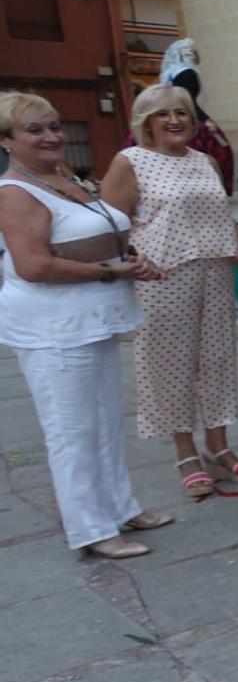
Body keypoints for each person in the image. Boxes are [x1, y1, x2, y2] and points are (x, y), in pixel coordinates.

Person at [0, 93, 174, 559]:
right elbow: (33, 265)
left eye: (54, 126)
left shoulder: (61, 178)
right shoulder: (15, 192)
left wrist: (132, 260)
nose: (51, 136)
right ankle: (91, 529)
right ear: (6, 142)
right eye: (34, 130)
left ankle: (120, 506)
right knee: (71, 430)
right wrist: (109, 272)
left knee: (105, 424)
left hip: (93, 321)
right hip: (55, 329)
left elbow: (91, 237)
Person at [101, 85, 238, 497]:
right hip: (163, 276)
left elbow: (225, 221)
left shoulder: (206, 162)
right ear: (146, 122)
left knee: (217, 361)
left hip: (215, 271)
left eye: (181, 113)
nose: (174, 121)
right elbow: (109, 226)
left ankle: (219, 448)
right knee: (170, 365)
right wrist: (133, 261)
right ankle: (185, 453)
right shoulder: (131, 161)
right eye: (163, 114)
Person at [127, 38, 235, 193]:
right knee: (221, 148)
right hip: (191, 114)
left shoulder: (170, 72)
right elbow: (187, 101)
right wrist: (205, 120)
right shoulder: (187, 72)